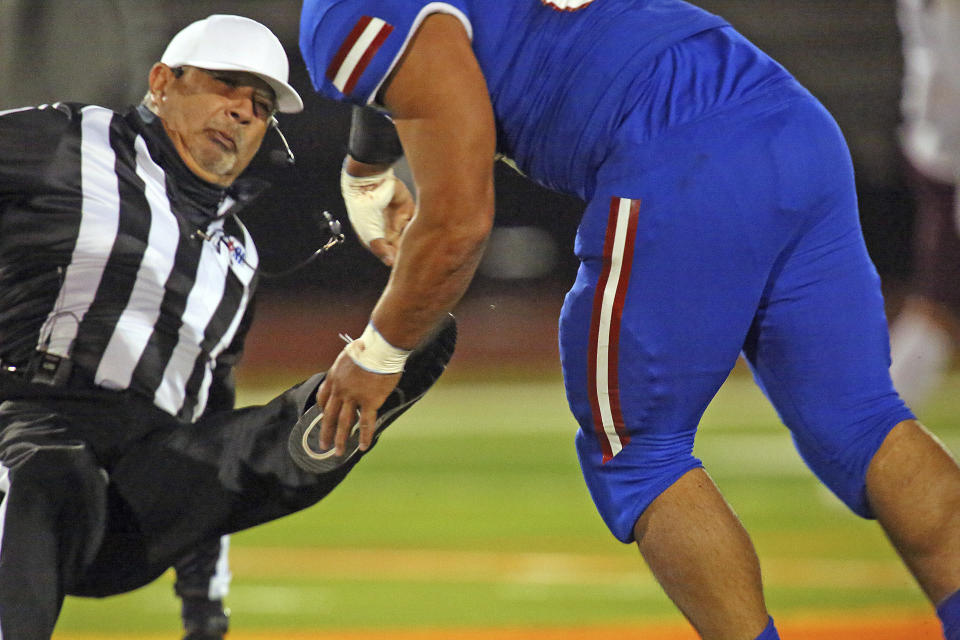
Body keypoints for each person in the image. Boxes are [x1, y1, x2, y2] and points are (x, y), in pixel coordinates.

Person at [298, 2, 960, 639]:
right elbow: (426, 39)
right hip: (787, 118)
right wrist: (368, 162)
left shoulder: (346, 12)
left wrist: (379, 354)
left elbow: (457, 221)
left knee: (638, 454)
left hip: (679, 149)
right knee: (862, 419)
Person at [0, 14, 453, 640]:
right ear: (162, 83)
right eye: (227, 85)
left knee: (251, 446)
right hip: (25, 434)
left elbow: (210, 427)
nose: (243, 111)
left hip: (139, 499)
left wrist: (204, 607)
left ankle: (369, 369)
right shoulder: (70, 141)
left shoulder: (236, 257)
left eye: (261, 105)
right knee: (50, 471)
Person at [888, 0, 960, 413]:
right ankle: (869, 436)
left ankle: (868, 434)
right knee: (935, 309)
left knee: (935, 307)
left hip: (937, 147)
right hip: (947, 154)